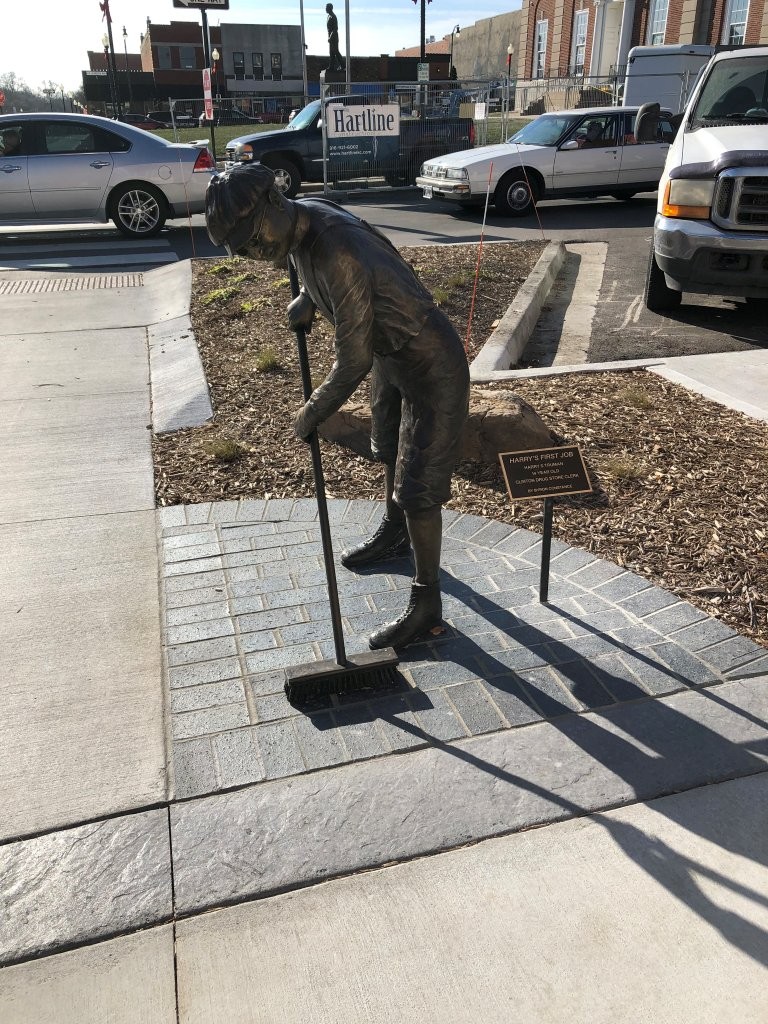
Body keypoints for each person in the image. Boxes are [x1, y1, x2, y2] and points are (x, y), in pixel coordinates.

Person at [205, 162, 470, 650]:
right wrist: (308, 297)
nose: (252, 253)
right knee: (385, 445)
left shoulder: (335, 251)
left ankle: (427, 603)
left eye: (251, 239)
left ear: (274, 204)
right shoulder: (308, 218)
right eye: (241, 249)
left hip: (431, 364)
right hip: (395, 352)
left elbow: (352, 360)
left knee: (418, 489)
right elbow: (368, 264)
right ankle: (396, 534)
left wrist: (313, 411)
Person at [326, 3, 345, 73]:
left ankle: (343, 65)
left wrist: (330, 37)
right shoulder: (328, 16)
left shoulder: (333, 17)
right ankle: (331, 66)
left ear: (330, 8)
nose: (325, 9)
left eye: (327, 7)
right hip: (330, 37)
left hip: (334, 37)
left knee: (335, 51)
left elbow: (335, 29)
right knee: (331, 52)